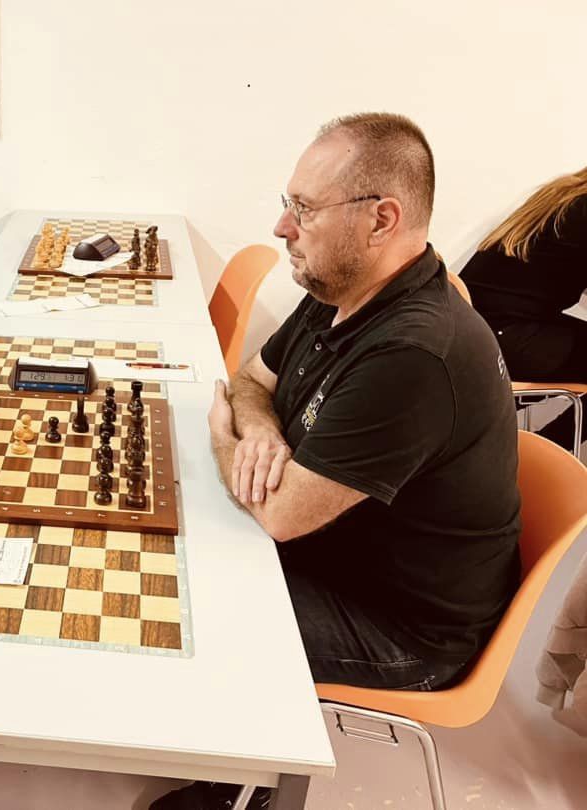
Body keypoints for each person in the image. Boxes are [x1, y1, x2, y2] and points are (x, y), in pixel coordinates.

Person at [154, 113, 522, 810]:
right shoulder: (345, 291)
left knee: (188, 606)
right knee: (181, 544)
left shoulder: (414, 352)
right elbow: (250, 381)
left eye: (303, 209)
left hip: (401, 628)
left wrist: (227, 436)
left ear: (381, 219)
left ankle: (244, 791)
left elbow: (282, 514)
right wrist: (263, 435)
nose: (281, 227)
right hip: (337, 558)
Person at [460, 168, 587, 451]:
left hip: (475, 328)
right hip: (506, 335)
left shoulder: (565, 192)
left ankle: (535, 452)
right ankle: (541, 457)